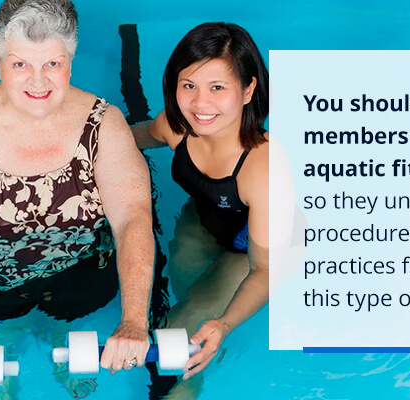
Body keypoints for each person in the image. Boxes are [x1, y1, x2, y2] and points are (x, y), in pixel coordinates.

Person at [0, 0, 152, 392]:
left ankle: (60, 336)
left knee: (69, 325)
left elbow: (133, 219)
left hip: (81, 274)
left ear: (70, 60)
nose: (38, 82)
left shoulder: (104, 124)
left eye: (52, 64)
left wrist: (135, 322)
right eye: (21, 64)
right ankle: (1, 341)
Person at [132, 22, 270, 396]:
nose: (200, 104)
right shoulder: (175, 128)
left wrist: (224, 324)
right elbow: (126, 140)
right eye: (188, 85)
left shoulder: (263, 168)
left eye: (218, 88)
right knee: (182, 297)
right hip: (200, 220)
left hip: (249, 251)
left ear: (248, 90)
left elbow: (266, 269)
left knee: (179, 339)